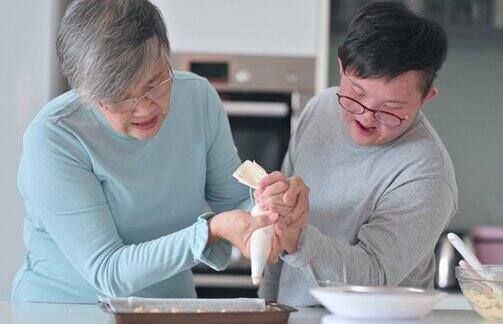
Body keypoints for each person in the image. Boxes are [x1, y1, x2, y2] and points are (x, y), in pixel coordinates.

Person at [11, 0, 291, 303]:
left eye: (155, 83)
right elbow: (108, 271)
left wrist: (268, 207)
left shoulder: (198, 99)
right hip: (66, 311)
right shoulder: (54, 137)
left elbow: (233, 201)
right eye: (120, 97)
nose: (144, 108)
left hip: (171, 309)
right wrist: (209, 231)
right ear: (88, 93)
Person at [256, 1, 458, 306]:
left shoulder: (426, 173)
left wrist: (296, 238)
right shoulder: (320, 110)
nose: (366, 117)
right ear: (341, 67)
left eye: (390, 109)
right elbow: (278, 225)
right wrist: (266, 306)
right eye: (356, 94)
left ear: (425, 98)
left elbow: (373, 276)